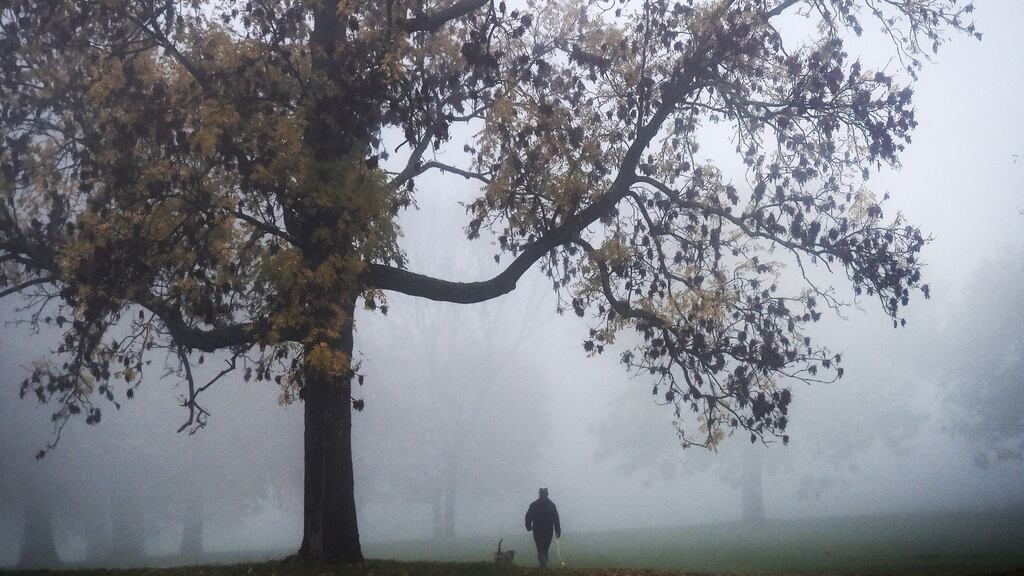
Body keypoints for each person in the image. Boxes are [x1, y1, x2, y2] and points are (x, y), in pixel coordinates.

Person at [525, 487, 561, 567]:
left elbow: (528, 516)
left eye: (544, 494)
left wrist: (528, 526)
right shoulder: (551, 505)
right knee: (542, 547)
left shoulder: (535, 505)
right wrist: (557, 530)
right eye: (543, 494)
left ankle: (543, 561)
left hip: (539, 530)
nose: (543, 496)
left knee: (542, 547)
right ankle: (543, 562)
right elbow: (556, 519)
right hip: (546, 530)